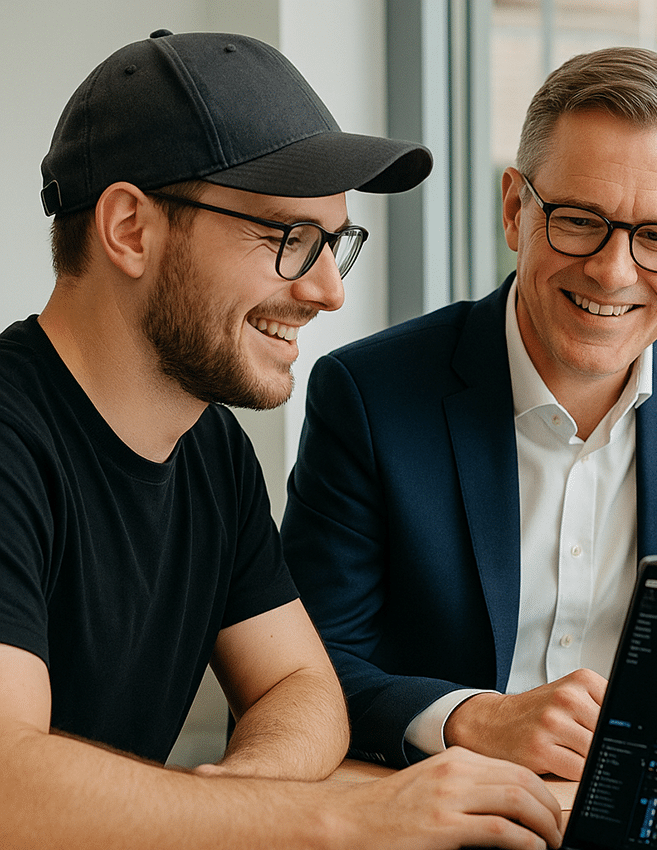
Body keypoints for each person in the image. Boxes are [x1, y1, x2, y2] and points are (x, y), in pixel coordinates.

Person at [0, 30, 566, 850]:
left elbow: (302, 688)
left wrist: (239, 803)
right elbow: (8, 785)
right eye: (289, 238)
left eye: (334, 244)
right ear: (129, 228)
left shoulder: (210, 448)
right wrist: (342, 820)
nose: (329, 291)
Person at [281, 46, 657, 780]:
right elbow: (301, 672)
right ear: (515, 210)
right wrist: (468, 718)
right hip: (448, 802)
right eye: (580, 220)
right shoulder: (369, 396)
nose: (612, 272)